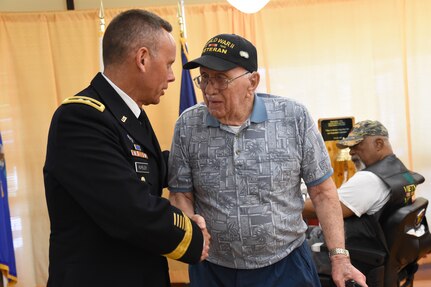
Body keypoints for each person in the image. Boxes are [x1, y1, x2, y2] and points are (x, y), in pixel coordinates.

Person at [168, 33, 367, 287]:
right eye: (204, 78)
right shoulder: (187, 125)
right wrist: (191, 226)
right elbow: (180, 193)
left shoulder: (293, 117)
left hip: (286, 266)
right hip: (214, 270)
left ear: (252, 82)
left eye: (221, 79)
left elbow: (323, 192)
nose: (209, 89)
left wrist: (339, 257)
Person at [43, 9, 209, 287]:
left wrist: (207, 163)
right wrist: (192, 237)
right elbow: (131, 210)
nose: (171, 77)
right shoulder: (81, 118)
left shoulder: (128, 114)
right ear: (142, 59)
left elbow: (152, 167)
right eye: (169, 65)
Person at [303, 120, 425, 280]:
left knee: (291, 253)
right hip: (381, 253)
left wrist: (289, 204)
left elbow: (326, 208)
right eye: (349, 147)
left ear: (379, 144)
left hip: (353, 256)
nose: (351, 152)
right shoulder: (402, 173)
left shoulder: (370, 179)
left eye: (356, 145)